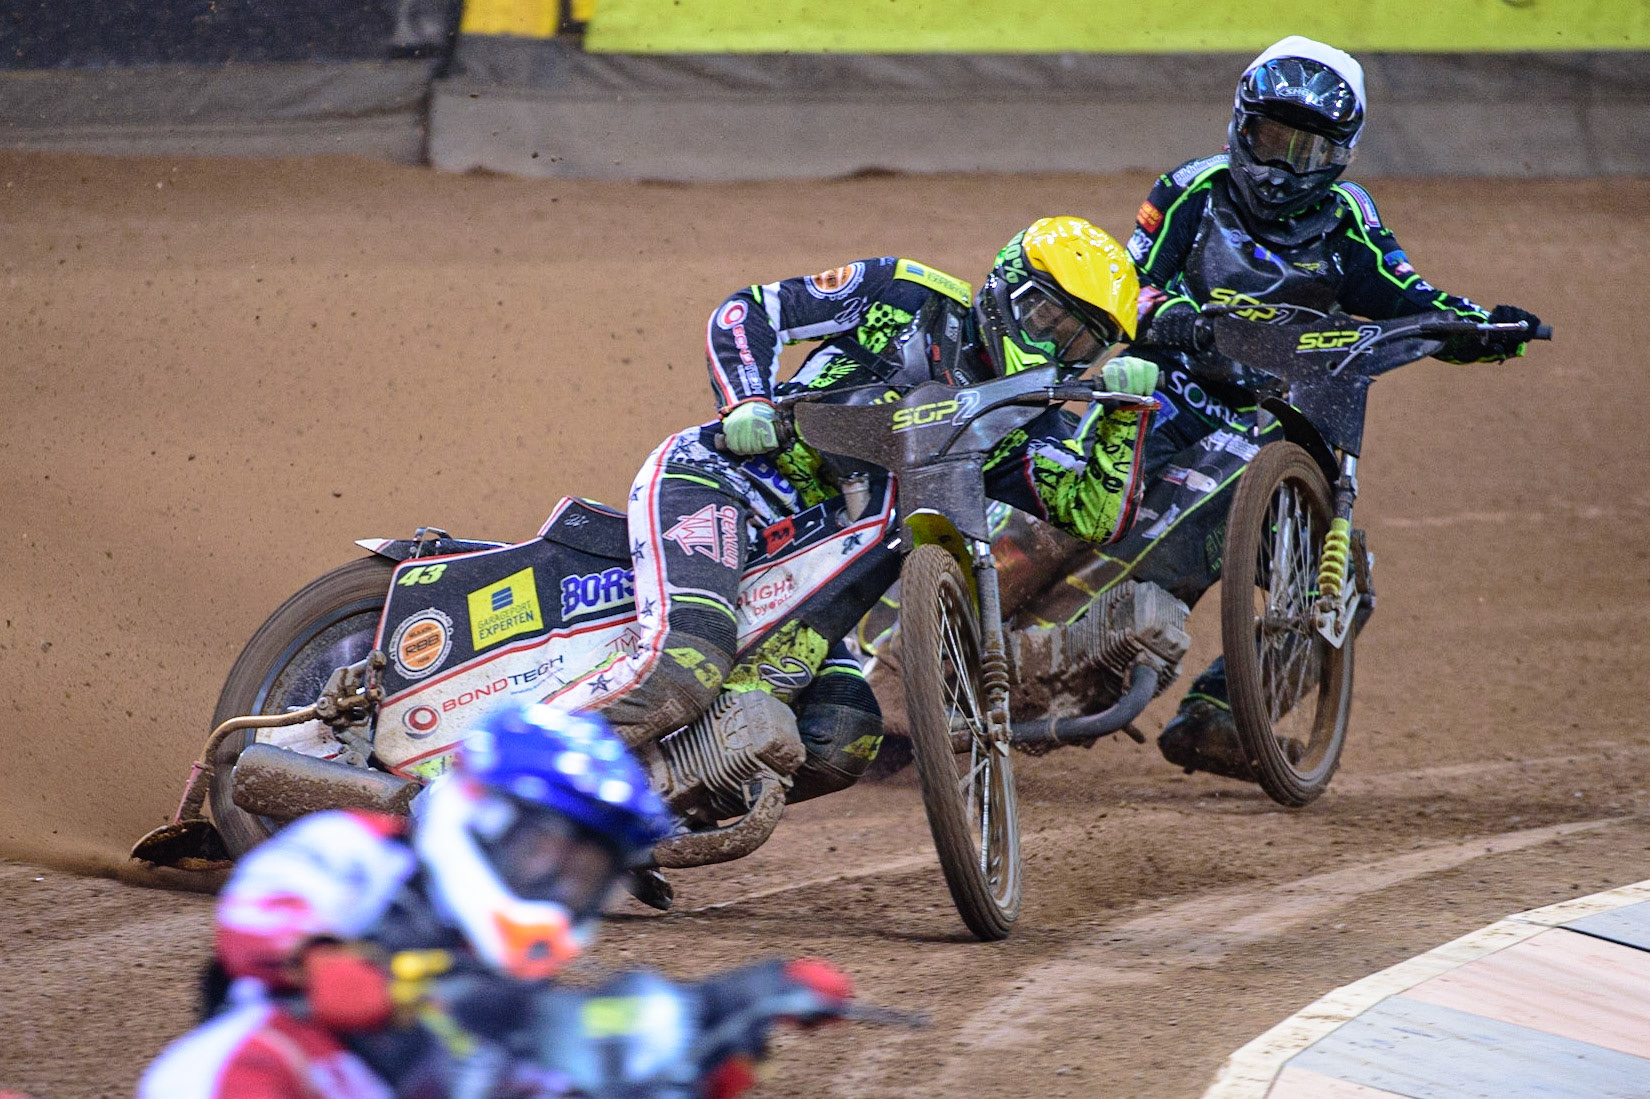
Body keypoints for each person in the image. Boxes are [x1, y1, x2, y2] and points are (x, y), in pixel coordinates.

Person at [572, 217, 1161, 796]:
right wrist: (746, 400)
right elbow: (751, 309)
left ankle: (644, 817)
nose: (1054, 344)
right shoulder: (906, 294)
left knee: (843, 739)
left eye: (1079, 340)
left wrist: (1124, 416)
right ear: (1008, 286)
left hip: (819, 579)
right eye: (1047, 318)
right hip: (730, 486)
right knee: (686, 667)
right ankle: (527, 766)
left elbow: (1094, 516)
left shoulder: (1023, 419)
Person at [1124, 36, 1543, 780]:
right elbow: (1127, 282)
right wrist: (1169, 314)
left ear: (1341, 154)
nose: (1283, 168)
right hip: (1172, 408)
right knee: (1088, 511)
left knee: (1339, 582)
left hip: (1270, 431)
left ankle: (1222, 717)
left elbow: (1407, 298)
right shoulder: (1192, 189)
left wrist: (1481, 328)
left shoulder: (1349, 219)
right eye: (1271, 140)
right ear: (1240, 125)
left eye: (1308, 151)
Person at [137, 704, 675, 1099]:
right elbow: (261, 901)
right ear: (484, 815)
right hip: (299, 1068)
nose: (559, 885)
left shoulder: (522, 977)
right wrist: (317, 960)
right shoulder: (365, 849)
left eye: (584, 876)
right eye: (543, 854)